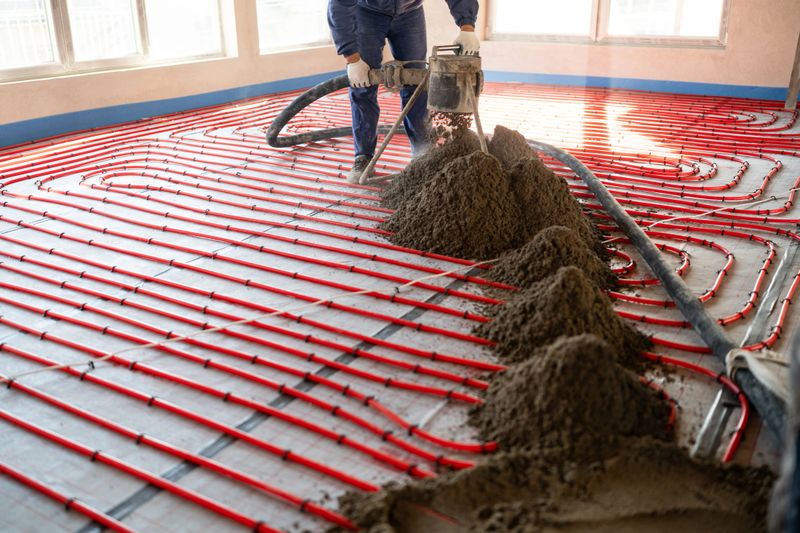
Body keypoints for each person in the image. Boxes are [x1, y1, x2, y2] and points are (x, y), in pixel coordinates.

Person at [327, 0, 480, 183]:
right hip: (367, 13)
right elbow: (339, 6)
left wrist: (467, 27)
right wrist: (352, 58)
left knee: (416, 83)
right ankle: (363, 157)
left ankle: (422, 153)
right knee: (363, 84)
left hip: (410, 13)